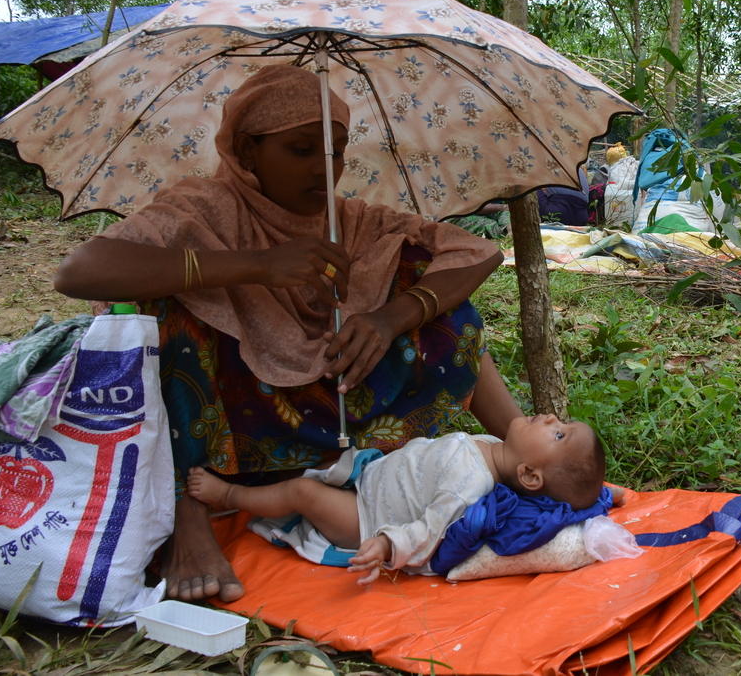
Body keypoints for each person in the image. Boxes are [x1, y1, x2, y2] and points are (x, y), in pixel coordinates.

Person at [52, 65, 524, 603]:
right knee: (162, 311)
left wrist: (389, 318)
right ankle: (189, 514)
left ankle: (514, 447)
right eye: (302, 150)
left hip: (344, 414)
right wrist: (257, 265)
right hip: (235, 426)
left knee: (430, 285)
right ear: (248, 152)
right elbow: (80, 271)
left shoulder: (352, 219)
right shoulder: (201, 207)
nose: (326, 172)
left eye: (337, 152)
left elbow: (476, 252)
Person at [186, 414, 606, 583]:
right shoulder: (492, 445)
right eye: (562, 422)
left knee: (302, 493)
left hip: (365, 517)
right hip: (370, 477)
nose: (551, 417)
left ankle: (229, 494)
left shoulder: (470, 484)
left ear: (531, 475)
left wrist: (388, 543)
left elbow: (430, 532)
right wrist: (606, 496)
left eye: (558, 433)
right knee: (313, 459)